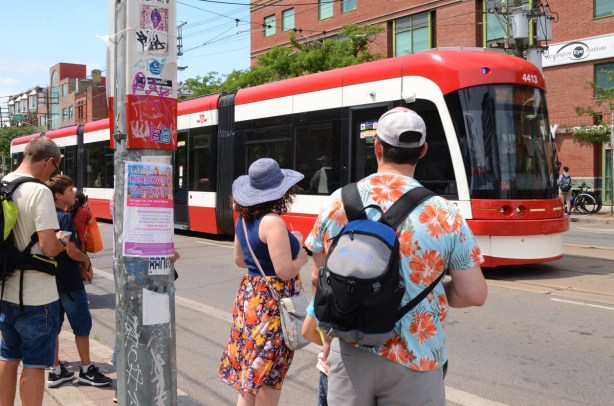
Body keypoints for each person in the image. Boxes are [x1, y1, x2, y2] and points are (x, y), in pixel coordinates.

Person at [305, 107, 488, 406]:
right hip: (418, 355)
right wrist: (424, 287)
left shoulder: (337, 201)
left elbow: (319, 279)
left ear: (377, 146)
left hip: (348, 350)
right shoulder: (445, 213)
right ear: (424, 150)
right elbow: (474, 294)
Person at [218, 158, 308, 406]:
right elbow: (285, 270)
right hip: (272, 305)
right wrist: (300, 256)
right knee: (270, 373)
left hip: (250, 299)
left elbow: (239, 259)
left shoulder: (243, 220)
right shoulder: (273, 222)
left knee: (251, 369)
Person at [0, 136, 67, 406]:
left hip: (5, 290)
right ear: (49, 161)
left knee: (7, 356)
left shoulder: (3, 183)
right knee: (35, 364)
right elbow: (48, 247)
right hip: (37, 297)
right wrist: (62, 242)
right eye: (55, 168)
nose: (54, 174)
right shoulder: (39, 192)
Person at [45, 175, 113, 388]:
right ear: (58, 195)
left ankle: (55, 370)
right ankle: (86, 370)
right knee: (82, 326)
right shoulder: (64, 218)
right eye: (70, 190)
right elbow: (71, 250)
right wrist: (86, 262)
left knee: (54, 327)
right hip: (70, 281)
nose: (74, 194)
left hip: (51, 280)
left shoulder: (45, 217)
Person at [69, 191, 95, 282]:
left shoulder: (67, 209)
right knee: (85, 263)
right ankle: (86, 279)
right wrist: (87, 208)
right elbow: (91, 222)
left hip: (68, 242)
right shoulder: (85, 211)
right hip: (80, 243)